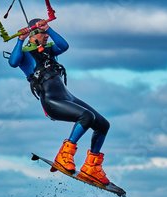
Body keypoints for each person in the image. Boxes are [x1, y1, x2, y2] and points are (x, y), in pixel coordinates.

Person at [8, 18, 111, 185]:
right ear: (32, 35)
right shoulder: (25, 55)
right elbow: (13, 63)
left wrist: (48, 29)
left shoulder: (50, 49)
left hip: (67, 96)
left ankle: (92, 167)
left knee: (103, 124)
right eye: (42, 33)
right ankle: (64, 156)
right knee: (86, 116)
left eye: (46, 33)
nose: (46, 36)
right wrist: (20, 40)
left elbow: (64, 46)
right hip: (51, 101)